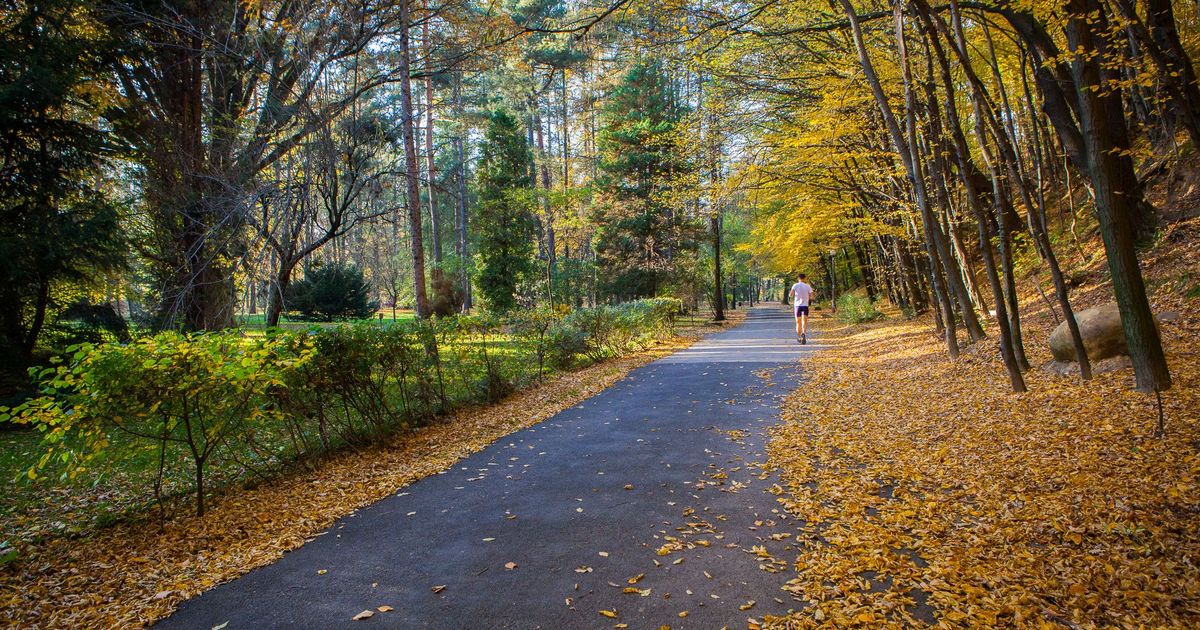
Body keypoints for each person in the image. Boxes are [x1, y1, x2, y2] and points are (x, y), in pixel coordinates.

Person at [789, 274, 815, 344]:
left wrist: (794, 295)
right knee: (804, 322)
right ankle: (804, 334)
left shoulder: (795, 285)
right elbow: (812, 296)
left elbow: (791, 295)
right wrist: (809, 298)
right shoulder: (808, 286)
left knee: (798, 322)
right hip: (805, 306)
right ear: (805, 278)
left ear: (798, 278)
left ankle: (799, 337)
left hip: (797, 306)